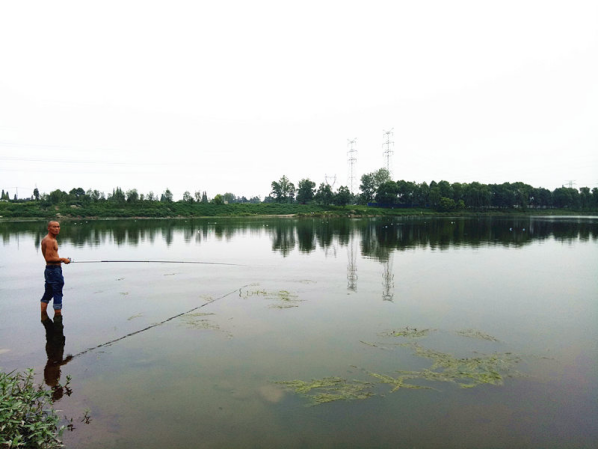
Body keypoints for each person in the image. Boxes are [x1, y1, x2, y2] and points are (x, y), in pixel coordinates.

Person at [41, 221, 70, 315]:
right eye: (54, 227)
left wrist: (62, 260)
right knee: (58, 293)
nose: (57, 229)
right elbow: (49, 258)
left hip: (50, 270)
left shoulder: (49, 239)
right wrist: (63, 259)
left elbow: (50, 257)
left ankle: (43, 315)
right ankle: (58, 317)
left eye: (58, 226)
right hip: (53, 270)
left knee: (48, 294)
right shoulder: (49, 240)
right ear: (49, 228)